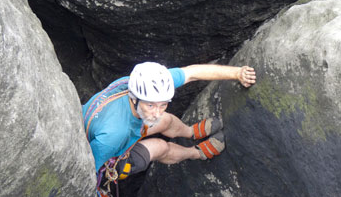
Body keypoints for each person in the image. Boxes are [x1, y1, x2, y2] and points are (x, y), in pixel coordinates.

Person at [83, 62, 256, 184]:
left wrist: (237, 73)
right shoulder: (114, 134)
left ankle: (190, 132)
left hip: (119, 127)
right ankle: (196, 153)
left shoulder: (148, 84)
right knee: (160, 147)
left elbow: (193, 73)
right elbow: (88, 172)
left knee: (165, 120)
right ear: (134, 98)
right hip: (108, 155)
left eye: (163, 104)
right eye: (150, 105)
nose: (157, 112)